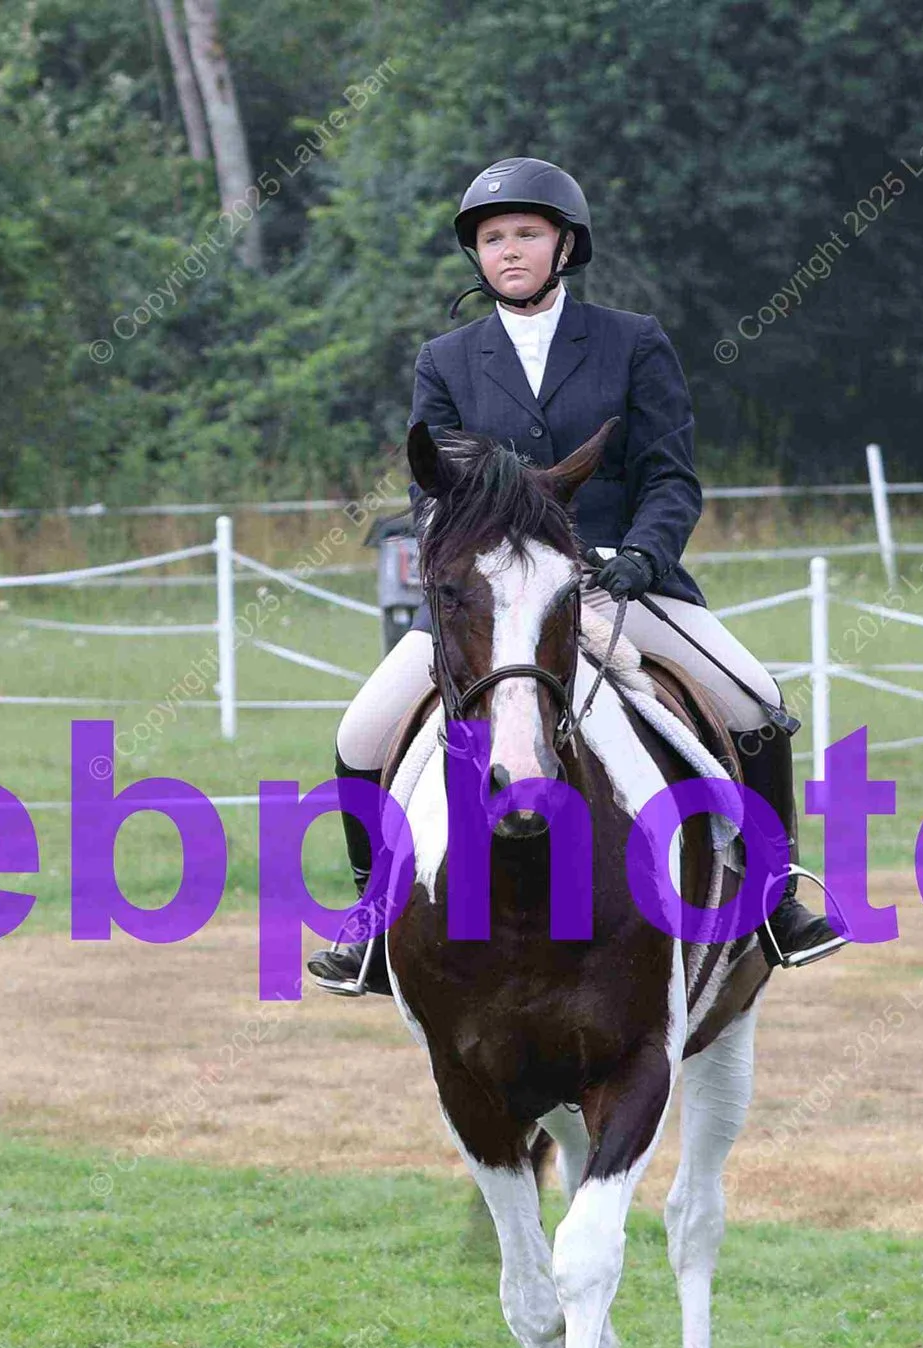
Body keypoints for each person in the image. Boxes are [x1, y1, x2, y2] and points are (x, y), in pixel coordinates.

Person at [307, 156, 844, 996]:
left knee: (757, 705)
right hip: (493, 597)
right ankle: (373, 916)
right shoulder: (447, 360)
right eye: (493, 238)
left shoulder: (633, 341)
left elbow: (671, 477)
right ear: (476, 255)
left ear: (564, 246)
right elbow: (430, 491)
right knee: (359, 733)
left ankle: (776, 900)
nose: (509, 250)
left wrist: (642, 556)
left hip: (617, 583)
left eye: (527, 233)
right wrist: (473, 564)